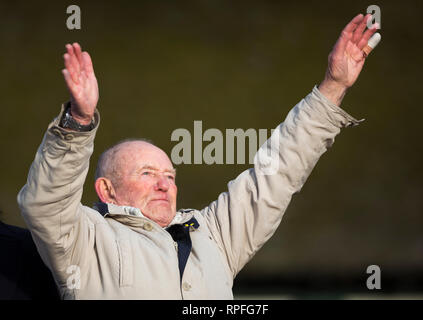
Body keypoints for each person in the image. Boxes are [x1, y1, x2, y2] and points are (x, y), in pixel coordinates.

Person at [17, 13, 379, 299]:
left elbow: (277, 175)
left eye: (170, 176)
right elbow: (44, 203)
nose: (164, 184)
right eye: (146, 174)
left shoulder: (214, 235)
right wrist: (78, 121)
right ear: (107, 190)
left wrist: (333, 87)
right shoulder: (85, 240)